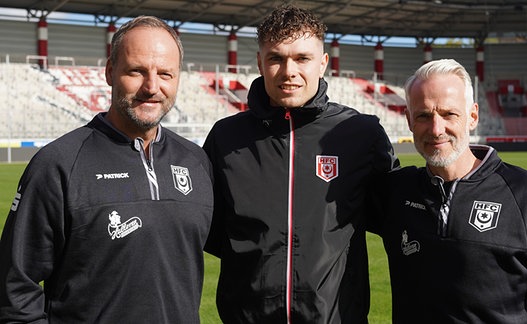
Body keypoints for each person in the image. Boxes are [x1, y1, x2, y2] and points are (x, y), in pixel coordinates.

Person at [0, 16, 213, 323]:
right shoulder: (58, 163)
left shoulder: (196, 160)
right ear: (110, 72)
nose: (152, 86)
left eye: (165, 73)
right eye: (136, 71)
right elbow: (14, 289)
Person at [202, 4, 399, 323]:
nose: (288, 71)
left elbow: (396, 216)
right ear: (260, 63)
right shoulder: (226, 139)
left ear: (323, 63)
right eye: (276, 58)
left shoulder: (360, 134)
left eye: (302, 58)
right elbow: (210, 233)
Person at [371, 58, 527, 323]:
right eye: (423, 115)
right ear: (409, 120)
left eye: (449, 114)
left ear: (473, 116)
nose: (436, 129)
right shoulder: (395, 191)